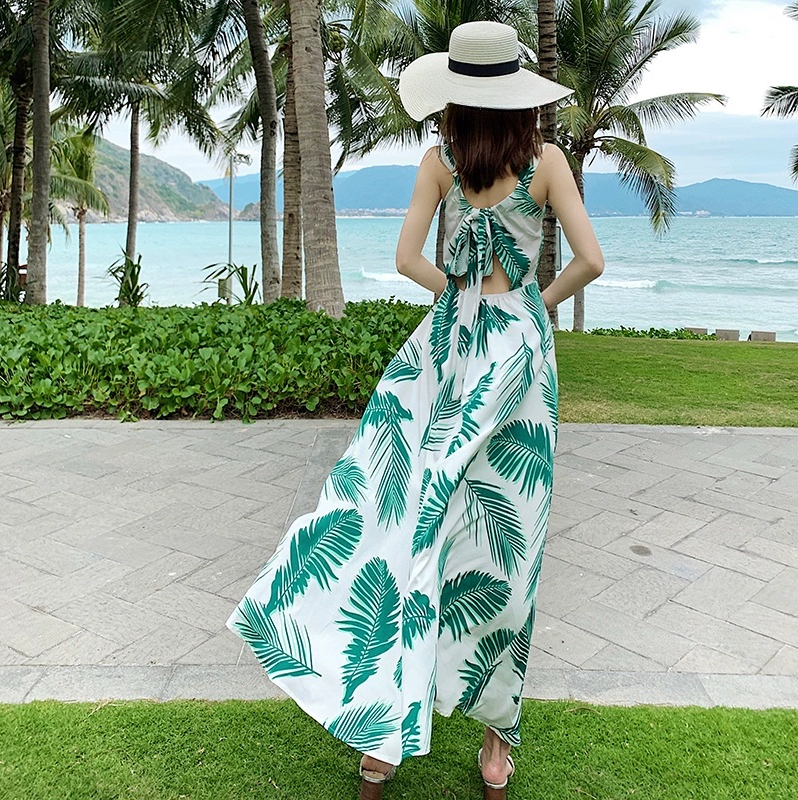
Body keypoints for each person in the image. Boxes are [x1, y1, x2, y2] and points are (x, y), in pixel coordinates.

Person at [226, 19, 604, 800]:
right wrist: (529, 305)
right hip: (518, 362)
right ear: (520, 95)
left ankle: (382, 744)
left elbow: (406, 261)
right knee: (508, 548)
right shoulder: (546, 162)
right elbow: (590, 261)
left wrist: (461, 298)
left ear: (456, 93)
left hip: (446, 351)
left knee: (398, 513)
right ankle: (495, 748)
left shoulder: (439, 162)